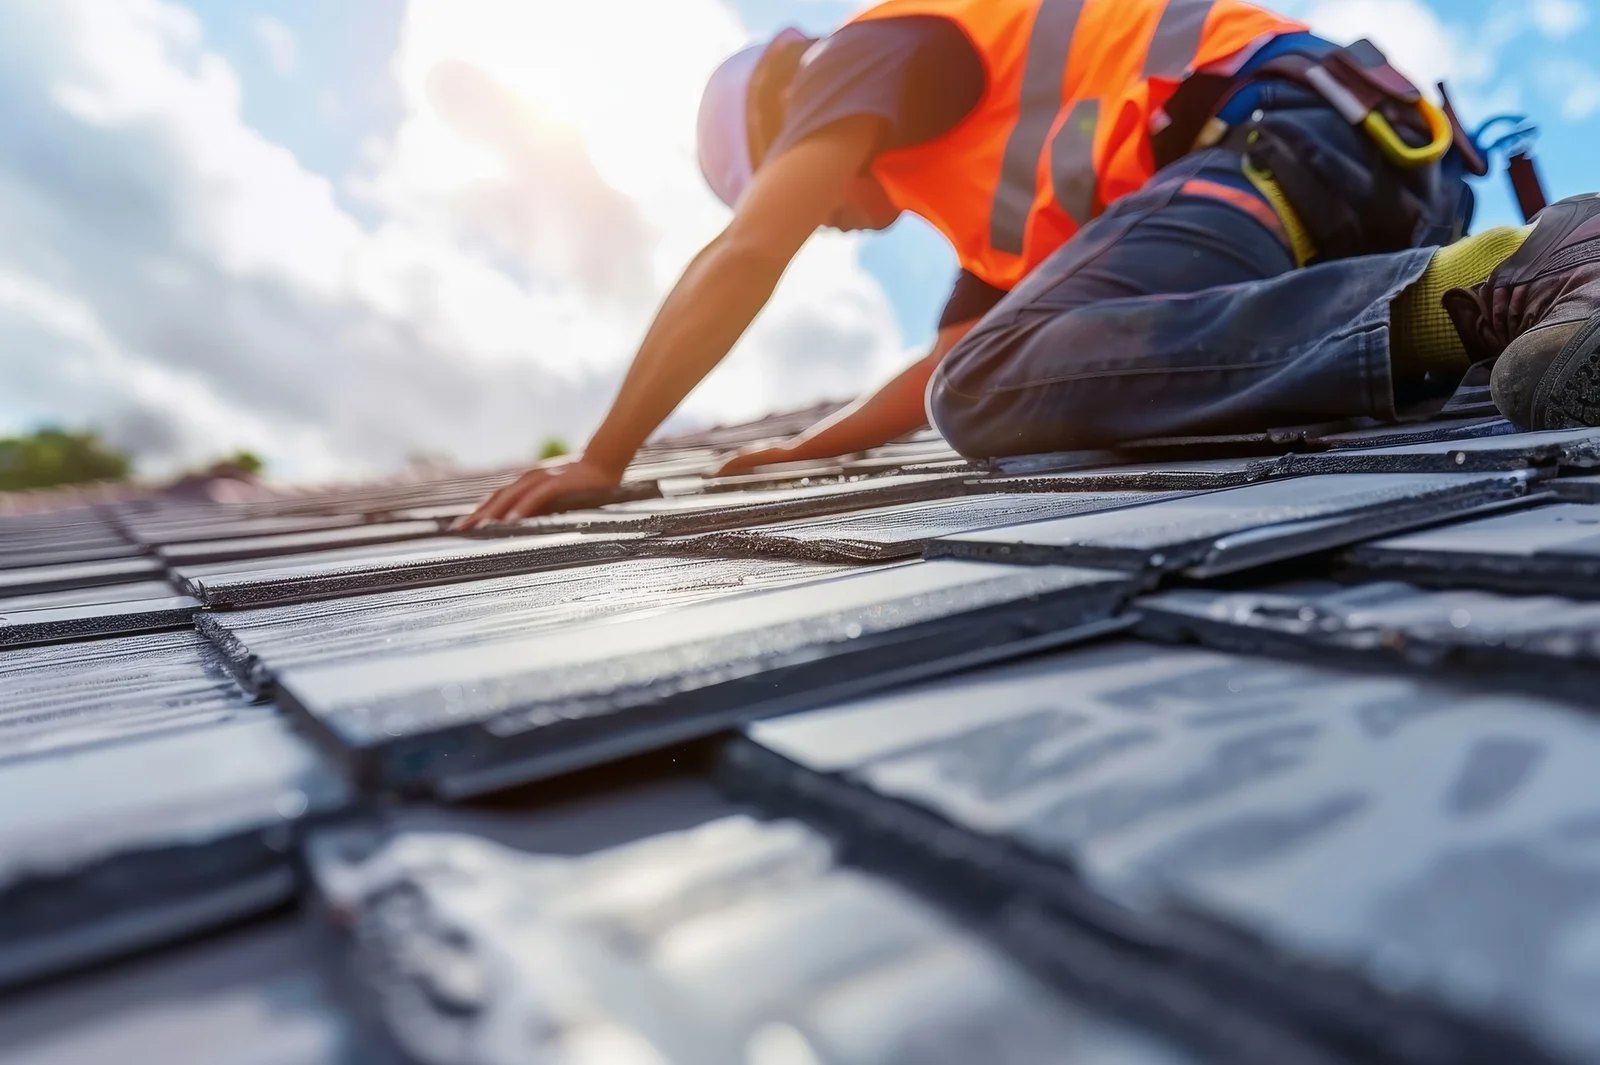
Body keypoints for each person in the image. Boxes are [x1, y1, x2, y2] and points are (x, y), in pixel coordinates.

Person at [460, 0, 1600, 528]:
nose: (830, 225)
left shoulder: (863, 57)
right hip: (1363, 174)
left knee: (989, 391)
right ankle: (1525, 304)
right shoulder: (986, 212)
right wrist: (807, 449)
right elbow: (974, 359)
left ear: (783, 121)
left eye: (800, 188)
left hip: (1281, 143)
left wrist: (606, 457)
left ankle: (1508, 278)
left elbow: (750, 248)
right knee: (1003, 373)